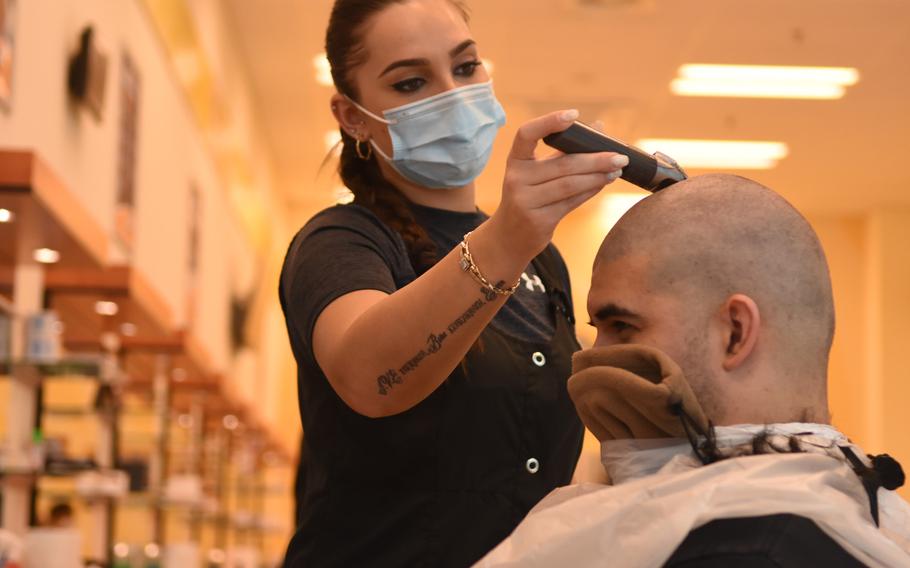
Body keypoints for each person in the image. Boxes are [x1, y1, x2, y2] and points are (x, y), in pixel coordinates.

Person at [278, 0, 628, 565]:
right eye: (412, 82)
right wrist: (507, 241)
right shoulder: (341, 242)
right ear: (353, 116)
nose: (451, 94)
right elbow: (371, 378)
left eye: (465, 68)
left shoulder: (542, 264)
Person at [477, 174, 910, 567]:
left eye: (622, 326)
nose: (594, 356)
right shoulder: (857, 513)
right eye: (597, 328)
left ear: (735, 334)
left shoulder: (742, 549)